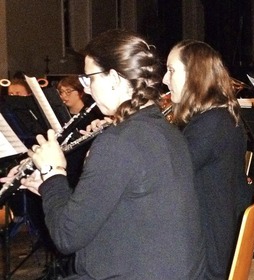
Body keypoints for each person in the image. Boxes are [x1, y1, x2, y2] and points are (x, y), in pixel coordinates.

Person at [8, 29, 207, 279]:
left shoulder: (118, 143)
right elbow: (109, 206)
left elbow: (66, 237)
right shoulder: (165, 130)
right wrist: (49, 186)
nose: (87, 90)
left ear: (113, 78)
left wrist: (53, 171)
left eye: (89, 78)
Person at [163, 39, 254, 279]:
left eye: (171, 71)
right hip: (215, 235)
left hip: (207, 254)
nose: (164, 79)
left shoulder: (211, 124)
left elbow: (166, 173)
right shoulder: (216, 116)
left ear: (195, 75)